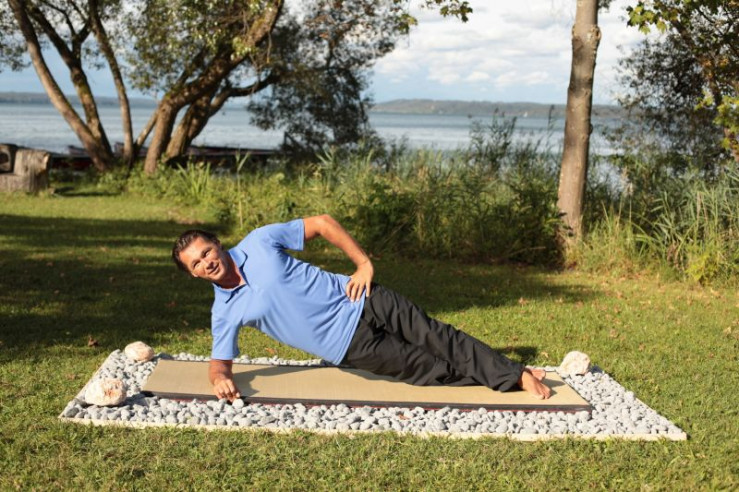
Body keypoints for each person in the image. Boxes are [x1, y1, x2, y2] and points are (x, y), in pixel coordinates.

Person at [171, 214, 551, 402]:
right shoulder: (224, 311)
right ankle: (503, 372)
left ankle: (512, 375)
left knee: (436, 335)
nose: (206, 262)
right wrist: (219, 380)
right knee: (430, 370)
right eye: (196, 263)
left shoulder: (259, 241)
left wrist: (363, 263)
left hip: (360, 296)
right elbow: (219, 364)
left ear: (217, 244)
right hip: (349, 346)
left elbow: (323, 223)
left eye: (206, 251)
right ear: (193, 274)